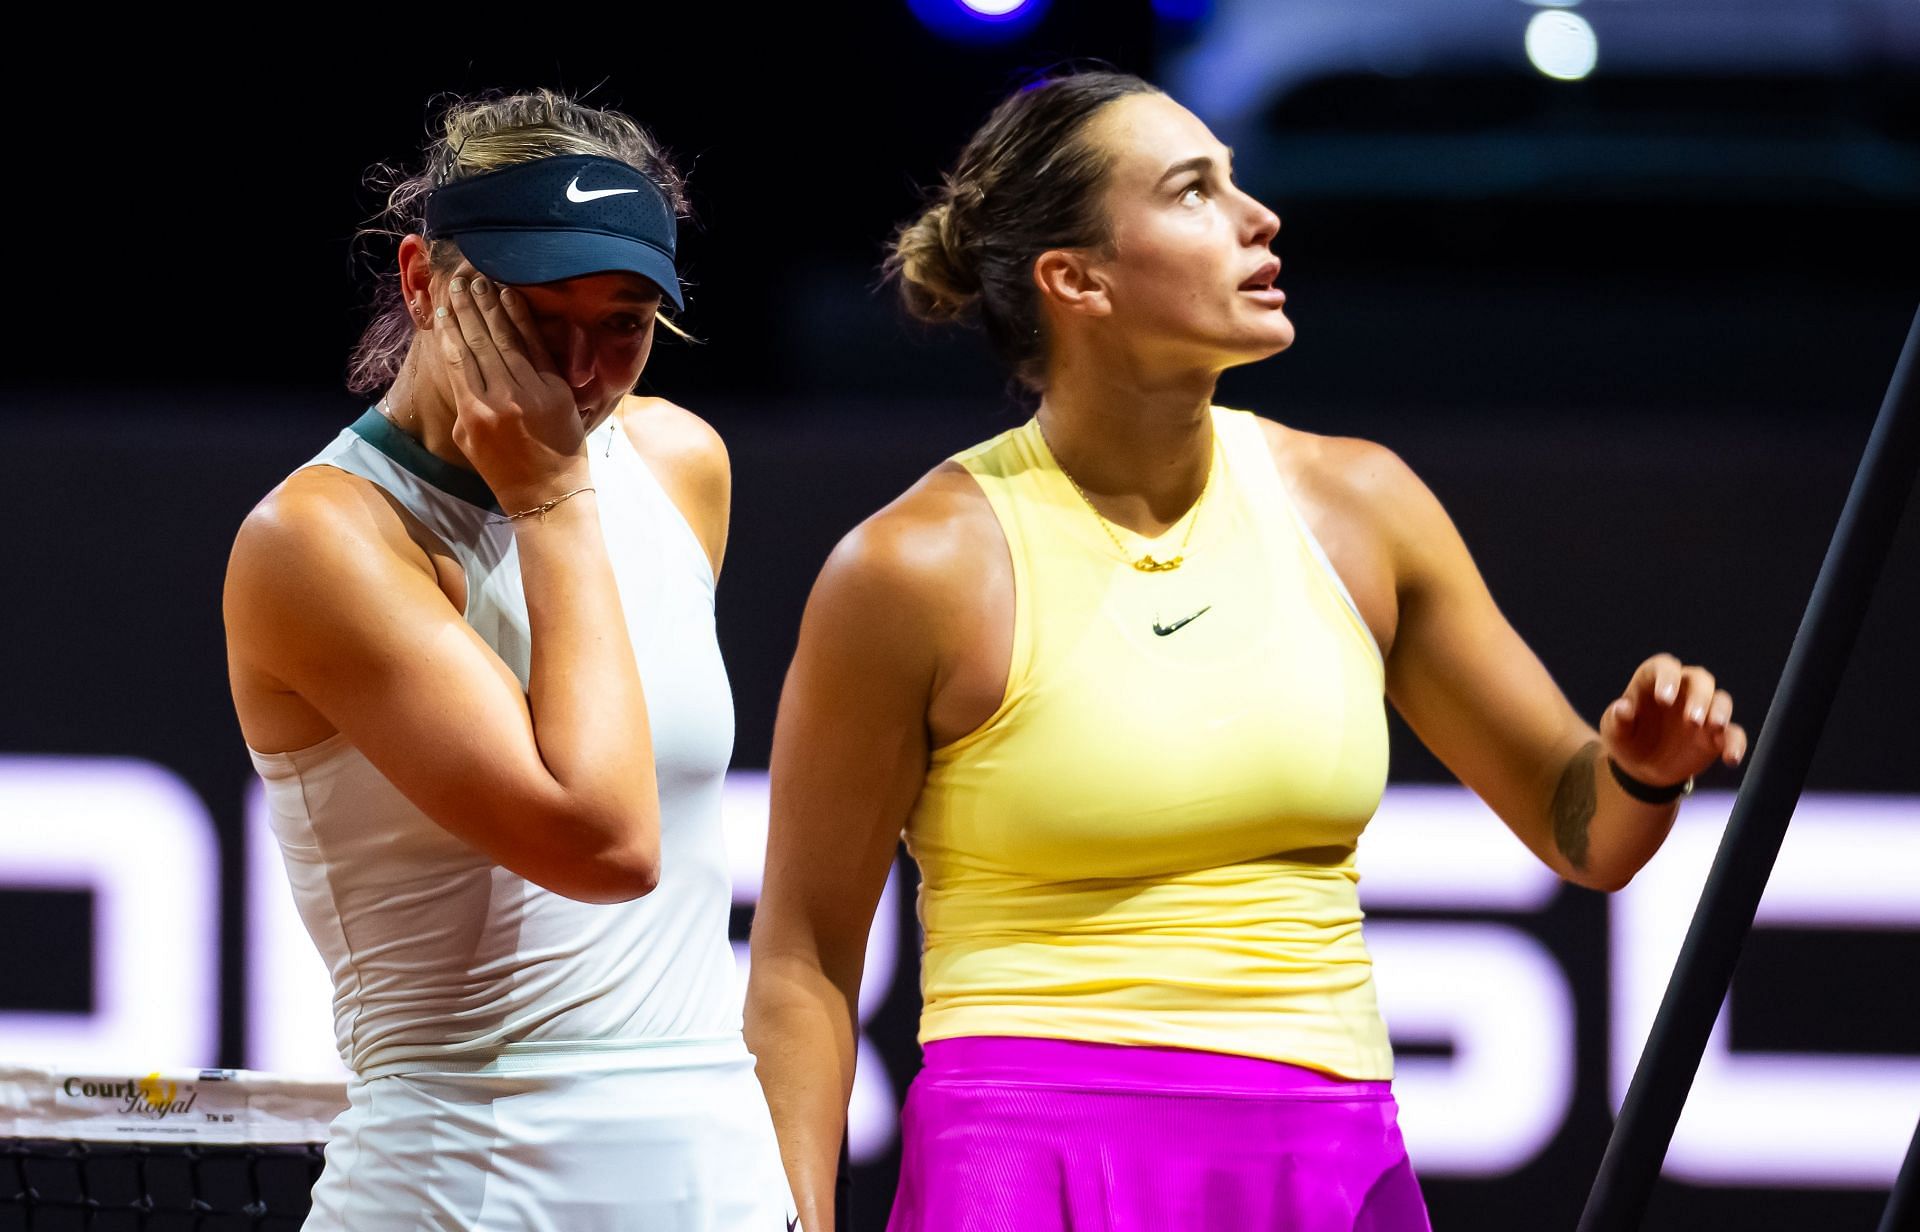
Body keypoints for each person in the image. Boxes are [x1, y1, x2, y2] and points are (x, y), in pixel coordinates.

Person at [743, 70, 1747, 1232]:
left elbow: (1587, 832)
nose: (1258, 215)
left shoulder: (1363, 506)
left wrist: (1642, 768)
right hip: (1030, 1159)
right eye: (1193, 191)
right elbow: (804, 960)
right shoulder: (915, 567)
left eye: (1236, 179)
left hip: (1327, 1156)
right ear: (1078, 280)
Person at [224, 90, 796, 1231]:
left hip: (720, 1186)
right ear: (424, 281)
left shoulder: (683, 463)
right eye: (539, 321)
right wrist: (552, 495)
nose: (580, 373)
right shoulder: (320, 542)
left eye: (625, 322)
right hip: (463, 1191)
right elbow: (605, 839)